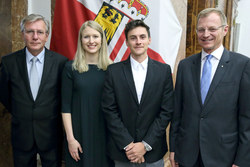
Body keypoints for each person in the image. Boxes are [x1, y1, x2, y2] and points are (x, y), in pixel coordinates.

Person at [170, 8, 250, 167]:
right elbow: (178, 112)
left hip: (224, 157)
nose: (206, 34)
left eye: (212, 29)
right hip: (187, 155)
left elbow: (246, 118)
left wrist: (242, 160)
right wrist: (173, 148)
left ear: (225, 30)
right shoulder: (185, 65)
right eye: (201, 29)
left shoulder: (242, 65)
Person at [102, 19, 174, 167]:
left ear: (149, 40)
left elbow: (166, 111)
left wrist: (145, 145)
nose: (138, 42)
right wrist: (129, 145)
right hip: (122, 152)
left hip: (153, 152)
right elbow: (109, 110)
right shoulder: (113, 71)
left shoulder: (164, 71)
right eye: (133, 38)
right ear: (127, 42)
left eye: (142, 37)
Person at [0, 14, 67, 167]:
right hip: (22, 134)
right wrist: (22, 110)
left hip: (51, 135)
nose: (35, 37)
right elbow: (4, 95)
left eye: (40, 32)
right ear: (22, 34)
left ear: (47, 35)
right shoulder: (9, 62)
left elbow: (63, 97)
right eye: (30, 31)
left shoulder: (60, 62)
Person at [61, 20, 114, 167]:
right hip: (78, 135)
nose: (91, 41)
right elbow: (65, 108)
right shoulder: (70, 68)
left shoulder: (112, 69)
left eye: (95, 36)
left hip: (105, 135)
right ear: (80, 40)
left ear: (102, 40)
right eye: (86, 37)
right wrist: (70, 139)